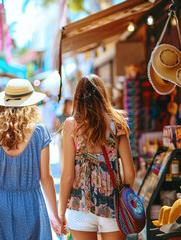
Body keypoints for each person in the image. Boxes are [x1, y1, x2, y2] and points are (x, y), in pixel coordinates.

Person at [0, 79, 62, 239]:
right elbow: (46, 177)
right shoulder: (39, 131)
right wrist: (54, 215)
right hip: (31, 203)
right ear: (30, 103)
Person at [58, 74, 136, 240]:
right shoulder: (118, 122)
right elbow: (129, 172)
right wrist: (125, 197)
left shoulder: (71, 125)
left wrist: (61, 211)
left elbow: (67, 175)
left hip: (80, 207)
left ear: (77, 97)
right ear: (103, 95)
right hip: (113, 205)